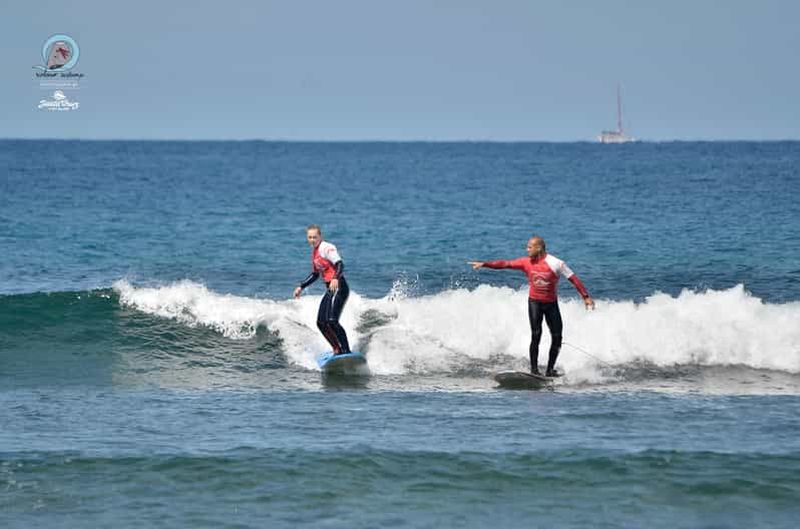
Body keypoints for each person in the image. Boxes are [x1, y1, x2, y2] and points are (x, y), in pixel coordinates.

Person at [468, 236, 594, 376]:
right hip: (534, 302)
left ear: (538, 248)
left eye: (529, 247)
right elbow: (505, 264)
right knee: (536, 334)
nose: (527, 249)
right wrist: (485, 264)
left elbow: (573, 279)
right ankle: (534, 370)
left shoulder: (556, 263)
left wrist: (586, 297)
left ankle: (550, 370)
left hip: (551, 304)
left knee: (557, 337)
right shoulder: (525, 262)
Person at [293, 224, 352, 355]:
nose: (312, 240)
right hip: (330, 289)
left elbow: (340, 264)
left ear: (320, 237)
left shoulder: (326, 248)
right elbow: (315, 274)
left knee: (332, 320)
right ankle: (337, 349)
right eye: (310, 237)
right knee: (321, 322)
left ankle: (346, 350)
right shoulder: (314, 252)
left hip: (339, 287)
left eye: (315, 237)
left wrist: (336, 278)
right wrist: (301, 286)